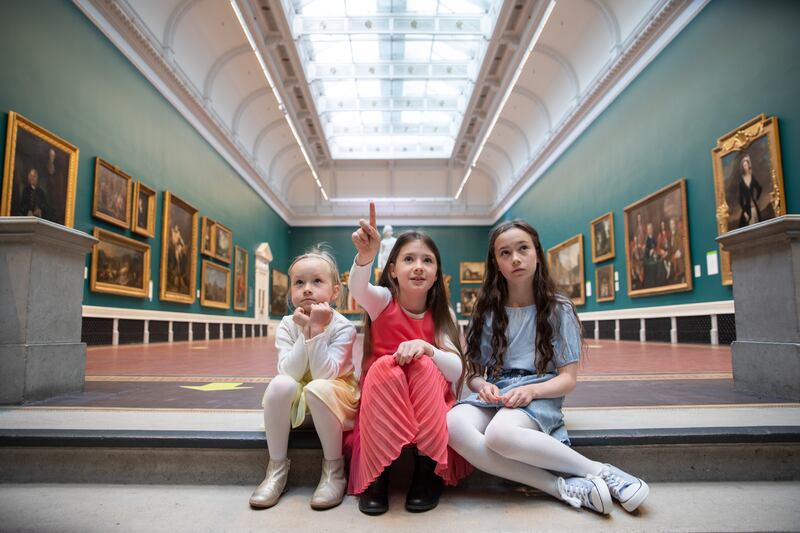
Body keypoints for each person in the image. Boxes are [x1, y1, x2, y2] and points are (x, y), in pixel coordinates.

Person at [447, 220, 649, 515]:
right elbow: (475, 374)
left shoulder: (558, 308)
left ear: (537, 254)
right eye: (505, 253)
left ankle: (601, 472)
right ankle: (560, 487)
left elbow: (567, 380)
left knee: (499, 435)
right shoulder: (487, 310)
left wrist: (530, 391)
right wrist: (482, 386)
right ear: (496, 263)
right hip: (498, 392)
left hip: (538, 392)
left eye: (522, 249)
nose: (515, 258)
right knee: (453, 424)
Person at [347, 203, 469, 515]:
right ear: (392, 270)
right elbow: (358, 288)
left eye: (427, 261)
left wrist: (427, 348)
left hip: (427, 404)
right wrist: (366, 256)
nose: (418, 266)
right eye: (409, 259)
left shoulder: (442, 315)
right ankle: (378, 475)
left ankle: (427, 471)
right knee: (385, 368)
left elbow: (455, 370)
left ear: (436, 273)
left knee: (426, 365)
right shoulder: (383, 301)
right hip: (382, 402)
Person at [250, 246, 359, 510]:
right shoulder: (288, 324)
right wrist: (304, 331)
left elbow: (325, 374)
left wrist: (317, 330)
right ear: (291, 292)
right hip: (301, 394)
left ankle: (334, 470)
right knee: (280, 384)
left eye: (316, 281)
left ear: (334, 292)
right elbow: (288, 371)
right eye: (299, 283)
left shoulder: (343, 326)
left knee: (318, 387)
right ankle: (276, 469)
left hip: (334, 398)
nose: (307, 289)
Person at [737, 153, 763, 228]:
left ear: (749, 165)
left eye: (746, 165)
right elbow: (740, 200)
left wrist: (757, 199)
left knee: (758, 227)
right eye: (744, 165)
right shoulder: (741, 183)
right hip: (747, 209)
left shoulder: (752, 177)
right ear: (742, 167)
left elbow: (759, 188)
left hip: (754, 207)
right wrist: (744, 212)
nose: (745, 167)